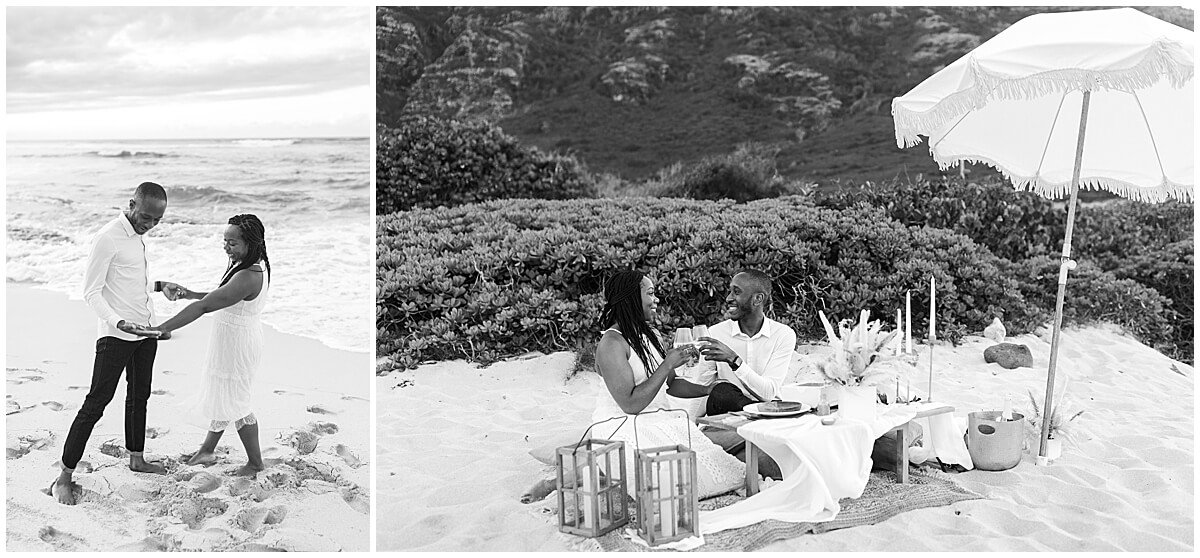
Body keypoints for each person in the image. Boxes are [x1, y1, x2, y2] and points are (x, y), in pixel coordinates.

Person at [54, 182, 174, 505]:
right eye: (146, 217)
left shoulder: (137, 238)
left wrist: (160, 286)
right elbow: (91, 291)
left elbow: (129, 280)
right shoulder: (107, 237)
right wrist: (118, 321)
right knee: (97, 402)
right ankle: (63, 476)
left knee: (140, 396)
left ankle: (136, 457)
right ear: (132, 203)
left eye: (157, 221)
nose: (149, 225)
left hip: (145, 331)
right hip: (117, 335)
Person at [132, 214, 271, 477]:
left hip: (238, 345)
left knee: (238, 401)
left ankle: (255, 463)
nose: (226, 247)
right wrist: (190, 292)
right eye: (224, 241)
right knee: (224, 393)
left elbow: (205, 306)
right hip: (232, 338)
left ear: (252, 243)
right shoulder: (247, 266)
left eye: (232, 243)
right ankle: (208, 449)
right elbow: (219, 296)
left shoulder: (249, 274)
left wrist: (161, 329)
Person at [591, 270, 750, 498]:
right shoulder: (612, 343)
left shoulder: (649, 334)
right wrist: (667, 365)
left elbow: (671, 385)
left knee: (724, 471)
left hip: (659, 419)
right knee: (671, 484)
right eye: (650, 293)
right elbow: (630, 404)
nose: (656, 299)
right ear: (632, 298)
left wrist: (708, 389)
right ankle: (583, 473)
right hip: (621, 425)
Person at [698, 269, 798, 416]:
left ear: (757, 299)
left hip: (767, 410)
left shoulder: (783, 335)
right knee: (722, 392)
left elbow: (768, 393)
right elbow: (703, 386)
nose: (728, 298)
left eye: (736, 292)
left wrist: (734, 360)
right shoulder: (715, 333)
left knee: (730, 394)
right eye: (730, 291)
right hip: (729, 413)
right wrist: (690, 427)